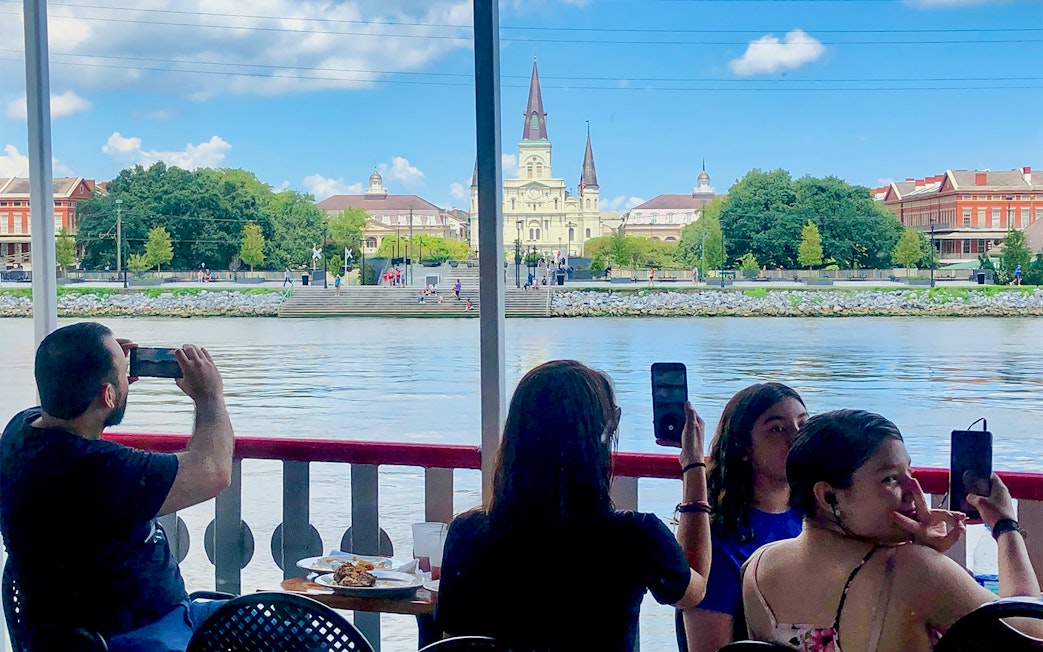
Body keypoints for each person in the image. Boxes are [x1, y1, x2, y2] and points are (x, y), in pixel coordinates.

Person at [436, 360, 711, 651]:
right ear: (604, 433)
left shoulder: (466, 534)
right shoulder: (635, 536)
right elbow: (693, 590)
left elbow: (455, 636)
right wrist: (693, 464)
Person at [0, 322, 234, 652]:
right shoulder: (102, 468)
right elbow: (214, 471)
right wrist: (210, 396)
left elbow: (75, 413)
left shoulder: (18, 432)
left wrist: (110, 386)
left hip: (68, 628)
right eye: (122, 376)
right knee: (302, 634)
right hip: (135, 635)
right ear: (108, 394)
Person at [742, 409, 1041, 652]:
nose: (915, 491)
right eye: (889, 479)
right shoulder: (913, 570)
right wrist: (1005, 526)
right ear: (828, 496)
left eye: (909, 473)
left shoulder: (757, 567)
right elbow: (1030, 632)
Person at [680, 383, 808, 652]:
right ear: (743, 448)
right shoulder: (720, 540)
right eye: (777, 429)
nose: (797, 437)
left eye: (803, 425)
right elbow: (708, 648)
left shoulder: (817, 519)